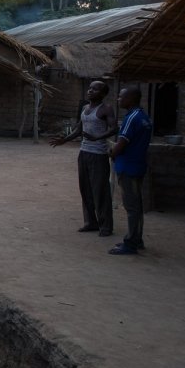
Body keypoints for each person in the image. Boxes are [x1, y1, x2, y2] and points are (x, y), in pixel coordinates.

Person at [49, 80, 116, 236]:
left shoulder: (106, 109)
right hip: (84, 152)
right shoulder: (85, 108)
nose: (90, 91)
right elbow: (79, 129)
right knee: (85, 189)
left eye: (95, 89)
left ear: (103, 93)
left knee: (100, 190)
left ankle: (105, 226)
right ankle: (90, 222)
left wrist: (97, 137)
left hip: (98, 155)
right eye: (90, 88)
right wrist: (64, 140)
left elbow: (114, 128)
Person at [109, 87, 152, 255]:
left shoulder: (131, 118)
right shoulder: (144, 117)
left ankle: (131, 243)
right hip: (137, 165)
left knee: (132, 207)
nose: (118, 100)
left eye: (121, 97)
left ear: (131, 99)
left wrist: (112, 152)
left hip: (128, 167)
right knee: (137, 206)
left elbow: (122, 143)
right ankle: (137, 239)